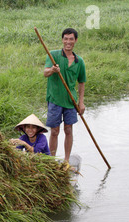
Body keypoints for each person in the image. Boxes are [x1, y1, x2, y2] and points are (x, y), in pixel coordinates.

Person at [44, 27, 86, 162]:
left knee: (68, 130)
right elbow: (45, 73)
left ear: (76, 41)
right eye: (66, 39)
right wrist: (53, 70)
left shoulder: (79, 61)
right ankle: (51, 161)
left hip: (70, 101)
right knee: (54, 131)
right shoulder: (53, 55)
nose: (68, 42)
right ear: (62, 40)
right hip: (55, 99)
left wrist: (81, 102)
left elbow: (81, 82)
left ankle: (67, 160)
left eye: (71, 39)